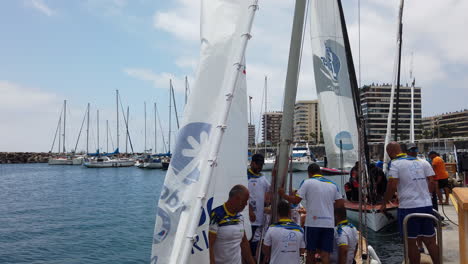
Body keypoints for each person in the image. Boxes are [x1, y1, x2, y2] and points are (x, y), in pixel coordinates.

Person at [380, 142, 440, 264]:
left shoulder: (395, 164)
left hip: (408, 208)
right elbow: (432, 182)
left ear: (390, 152)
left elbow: (392, 185)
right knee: (430, 241)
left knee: (411, 243)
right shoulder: (423, 162)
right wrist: (426, 195)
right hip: (426, 206)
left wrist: (384, 203)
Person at [279, 163, 345, 264]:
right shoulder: (333, 185)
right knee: (325, 254)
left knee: (310, 252)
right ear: (320, 172)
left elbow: (296, 200)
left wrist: (283, 195)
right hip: (328, 224)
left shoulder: (307, 182)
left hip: (312, 224)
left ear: (309, 173)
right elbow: (340, 204)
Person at [209, 185, 255, 264]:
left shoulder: (240, 217)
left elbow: (244, 243)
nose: (246, 204)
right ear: (237, 199)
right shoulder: (216, 215)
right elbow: (210, 246)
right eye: (245, 201)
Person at [247, 153, 271, 256]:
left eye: (261, 165)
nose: (260, 167)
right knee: (247, 242)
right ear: (252, 163)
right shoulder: (245, 176)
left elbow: (270, 190)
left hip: (259, 219)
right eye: (258, 164)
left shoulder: (262, 178)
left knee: (255, 245)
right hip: (249, 219)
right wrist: (249, 210)